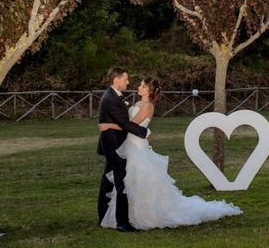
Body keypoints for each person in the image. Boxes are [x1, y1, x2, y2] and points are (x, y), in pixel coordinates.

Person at [99, 76, 242, 230]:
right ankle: (128, 215)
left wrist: (108, 125)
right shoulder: (139, 103)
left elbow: (129, 125)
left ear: (149, 90)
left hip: (137, 148)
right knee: (128, 182)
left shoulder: (147, 106)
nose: (139, 87)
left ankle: (146, 215)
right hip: (129, 145)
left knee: (139, 181)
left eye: (142, 85)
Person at [97, 67, 150, 232]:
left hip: (115, 143)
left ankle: (103, 216)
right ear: (116, 80)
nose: (128, 82)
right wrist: (145, 132)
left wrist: (108, 125)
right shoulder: (110, 98)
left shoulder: (114, 96)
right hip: (113, 145)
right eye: (125, 79)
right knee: (121, 181)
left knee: (108, 181)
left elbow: (121, 123)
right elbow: (125, 124)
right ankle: (122, 222)